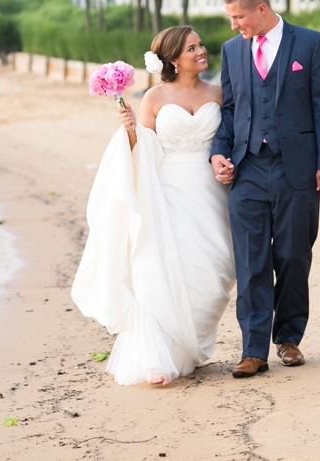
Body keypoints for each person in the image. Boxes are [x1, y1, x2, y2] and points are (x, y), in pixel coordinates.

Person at [71, 26, 235, 386]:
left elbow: (230, 138)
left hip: (212, 192)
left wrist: (228, 164)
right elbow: (143, 146)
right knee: (159, 267)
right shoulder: (154, 98)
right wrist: (130, 129)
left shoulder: (220, 93)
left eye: (201, 45)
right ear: (173, 59)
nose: (201, 51)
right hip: (167, 193)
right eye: (192, 48)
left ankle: (187, 345)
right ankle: (156, 355)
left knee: (215, 267)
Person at [210, 0, 320, 379]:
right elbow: (229, 111)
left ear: (260, 9)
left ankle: (288, 339)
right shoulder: (232, 51)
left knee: (293, 255)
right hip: (247, 168)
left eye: (238, 17)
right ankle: (253, 350)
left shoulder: (310, 43)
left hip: (296, 167)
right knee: (251, 261)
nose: (234, 25)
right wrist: (219, 152)